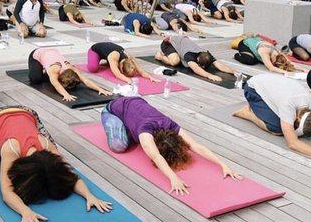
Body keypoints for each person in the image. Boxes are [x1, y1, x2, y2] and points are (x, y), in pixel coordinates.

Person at [0, 106, 112, 222]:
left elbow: (69, 175)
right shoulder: (11, 149)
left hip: (27, 112)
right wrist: (25, 211)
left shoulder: (48, 148)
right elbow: (6, 192)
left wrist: (89, 196)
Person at [101, 97, 241, 194]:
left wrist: (223, 165)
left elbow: (196, 146)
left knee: (134, 136)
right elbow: (156, 156)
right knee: (119, 146)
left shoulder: (170, 124)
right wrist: (173, 178)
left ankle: (128, 125)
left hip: (137, 101)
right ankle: (121, 122)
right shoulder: (145, 131)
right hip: (112, 109)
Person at [234, 73, 311, 167]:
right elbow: (292, 143)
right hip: (253, 89)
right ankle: (246, 113)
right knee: (277, 129)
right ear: (296, 118)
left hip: (271, 83)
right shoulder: (288, 105)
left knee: (284, 126)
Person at [28, 48, 111, 102]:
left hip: (52, 52)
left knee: (61, 81)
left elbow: (86, 80)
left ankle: (45, 70)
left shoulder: (73, 69)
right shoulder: (54, 69)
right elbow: (57, 85)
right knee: (36, 79)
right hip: (37, 53)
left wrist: (100, 89)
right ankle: (44, 70)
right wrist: (66, 95)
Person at [155, 36, 236, 82]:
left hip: (181, 44)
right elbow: (196, 69)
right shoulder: (189, 54)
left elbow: (219, 64)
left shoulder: (206, 54)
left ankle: (177, 53)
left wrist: (233, 71)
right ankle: (160, 56)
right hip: (168, 44)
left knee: (180, 59)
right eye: (201, 66)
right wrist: (210, 76)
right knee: (175, 62)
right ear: (197, 60)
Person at [87, 42, 159, 84]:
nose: (133, 76)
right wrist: (128, 80)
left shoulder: (130, 59)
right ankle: (97, 60)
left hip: (108, 53)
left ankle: (108, 63)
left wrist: (151, 77)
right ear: (121, 69)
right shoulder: (114, 56)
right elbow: (118, 75)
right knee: (93, 68)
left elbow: (141, 71)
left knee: (112, 64)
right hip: (95, 50)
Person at [234, 35, 301, 74]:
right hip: (245, 44)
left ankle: (256, 56)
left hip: (256, 45)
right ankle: (236, 56)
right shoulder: (264, 52)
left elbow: (289, 62)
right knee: (250, 60)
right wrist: (287, 73)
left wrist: (303, 69)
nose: (273, 63)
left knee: (261, 61)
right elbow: (271, 68)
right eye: (274, 63)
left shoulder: (278, 53)